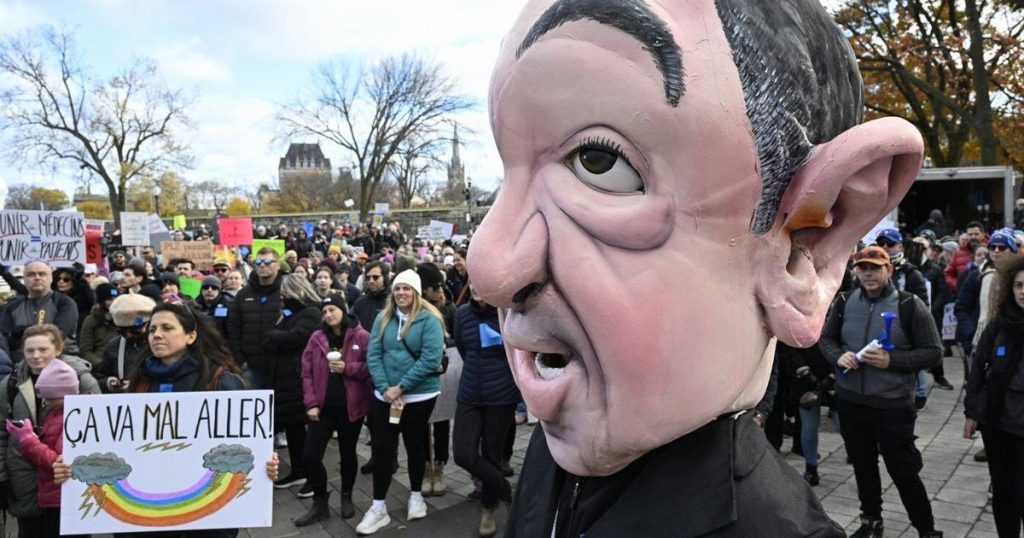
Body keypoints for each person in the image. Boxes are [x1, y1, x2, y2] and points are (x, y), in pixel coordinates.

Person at [469, 1, 926, 536]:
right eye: (510, 170)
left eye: (599, 160)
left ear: (806, 248)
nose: (490, 270)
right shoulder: (547, 464)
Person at [51, 302, 282, 538]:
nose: (157, 335)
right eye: (152, 329)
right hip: (145, 523)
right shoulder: (139, 383)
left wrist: (264, 464)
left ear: (191, 336)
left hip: (206, 524)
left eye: (167, 328)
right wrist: (71, 465)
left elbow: (245, 443)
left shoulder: (220, 382)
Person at [819, 246, 942, 537]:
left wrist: (892, 361)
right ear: (856, 271)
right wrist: (838, 356)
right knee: (863, 465)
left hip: (892, 407)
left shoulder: (909, 305)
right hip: (852, 402)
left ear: (889, 270)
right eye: (863, 268)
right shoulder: (844, 301)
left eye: (875, 267)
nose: (869, 274)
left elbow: (933, 353)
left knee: (903, 471)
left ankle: (926, 530)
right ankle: (870, 520)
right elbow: (825, 340)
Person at [356, 270, 445, 535]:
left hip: (419, 395)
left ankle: (416, 496)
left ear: (415, 292)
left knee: (415, 444)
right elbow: (373, 354)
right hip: (385, 396)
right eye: (397, 288)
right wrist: (386, 388)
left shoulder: (429, 319)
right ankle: (378, 507)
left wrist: (401, 387)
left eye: (406, 288)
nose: (401, 293)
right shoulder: (383, 318)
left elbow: (430, 359)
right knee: (382, 448)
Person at [0, 324, 100, 536]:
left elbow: (97, 431)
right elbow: (1, 434)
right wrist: (2, 478)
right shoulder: (10, 384)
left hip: (67, 483)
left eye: (43, 349)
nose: (35, 356)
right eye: (30, 350)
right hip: (24, 479)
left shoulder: (81, 380)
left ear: (58, 349)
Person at [295, 293, 372, 526]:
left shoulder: (361, 336)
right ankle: (320, 503)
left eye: (332, 310)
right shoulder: (317, 337)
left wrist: (347, 367)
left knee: (348, 454)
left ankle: (346, 496)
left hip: (350, 407)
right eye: (325, 311)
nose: (328, 315)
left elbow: (372, 368)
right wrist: (311, 403)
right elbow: (306, 372)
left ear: (343, 309)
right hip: (322, 408)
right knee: (310, 456)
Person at [452, 283, 519, 537]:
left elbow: (517, 353)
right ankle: (507, 491)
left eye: (482, 280)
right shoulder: (462, 314)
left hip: (501, 395)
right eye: (472, 281)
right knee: (463, 454)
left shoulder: (508, 313)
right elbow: (462, 348)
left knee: (492, 455)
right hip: (469, 393)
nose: (476, 286)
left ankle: (487, 509)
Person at [965, 256, 1024, 536]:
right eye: (1019, 285)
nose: (1023, 291)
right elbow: (977, 372)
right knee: (1003, 492)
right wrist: (971, 413)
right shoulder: (999, 325)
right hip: (998, 423)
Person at [3, 359, 81, 538]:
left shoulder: (72, 418)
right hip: (54, 496)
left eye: (50, 398)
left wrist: (27, 438)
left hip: (62, 498)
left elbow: (59, 462)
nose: (45, 401)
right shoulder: (58, 413)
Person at [264, 274, 322, 493]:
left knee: (305, 429)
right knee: (292, 427)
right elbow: (268, 340)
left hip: (299, 378)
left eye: (285, 292)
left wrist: (276, 335)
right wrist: (277, 336)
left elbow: (296, 338)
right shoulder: (287, 314)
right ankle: (298, 469)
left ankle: (312, 475)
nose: (282, 296)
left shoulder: (311, 313)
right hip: (284, 378)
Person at [417, 262, 456, 496]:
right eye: (434, 286)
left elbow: (458, 340)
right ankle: (425, 468)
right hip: (419, 373)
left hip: (443, 372)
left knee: (441, 421)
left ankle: (439, 467)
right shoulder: (414, 309)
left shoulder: (449, 308)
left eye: (441, 285)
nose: (439, 290)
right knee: (421, 423)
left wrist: (442, 344)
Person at [227, 247, 284, 390]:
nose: (262, 265)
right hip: (250, 366)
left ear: (277, 265)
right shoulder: (243, 294)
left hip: (281, 365)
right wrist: (240, 358)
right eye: (258, 262)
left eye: (267, 262)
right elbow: (233, 327)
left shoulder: (286, 291)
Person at [0, 261, 79, 359]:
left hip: (61, 358)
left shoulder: (65, 303)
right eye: (31, 275)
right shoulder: (12, 307)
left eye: (42, 274)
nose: (37, 278)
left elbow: (57, 335)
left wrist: (22, 333)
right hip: (20, 360)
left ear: (51, 279)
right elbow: (4, 338)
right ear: (24, 279)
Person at [78, 283, 120, 367]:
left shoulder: (124, 319)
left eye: (117, 298)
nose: (114, 302)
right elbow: (85, 350)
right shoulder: (91, 320)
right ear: (102, 302)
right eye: (110, 299)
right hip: (100, 365)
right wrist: (101, 365)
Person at [52, 265, 94, 333]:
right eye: (58, 279)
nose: (61, 282)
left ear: (74, 282)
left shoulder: (84, 302)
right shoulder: (51, 298)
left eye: (66, 280)